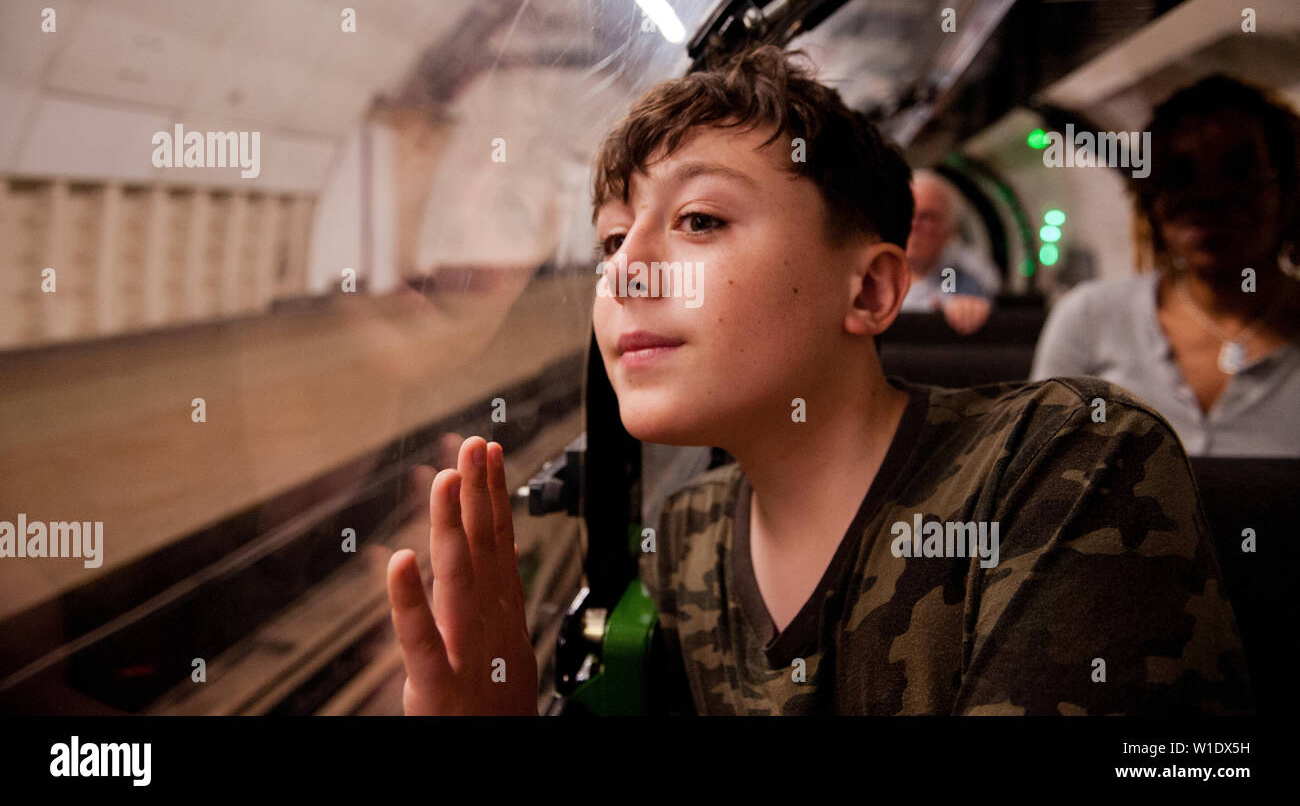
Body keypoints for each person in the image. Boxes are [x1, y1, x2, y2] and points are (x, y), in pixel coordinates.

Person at [386, 47, 1251, 715]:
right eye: (612, 240)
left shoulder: (1068, 467)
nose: (625, 274)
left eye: (699, 219)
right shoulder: (688, 536)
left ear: (870, 289)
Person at [1032, 75, 1300, 457]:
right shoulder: (1089, 317)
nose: (1208, 198)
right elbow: (1040, 472)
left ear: (1288, 192)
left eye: (1238, 174)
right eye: (1179, 176)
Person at [901, 169, 993, 334]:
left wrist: (968, 309)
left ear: (949, 230)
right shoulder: (867, 272)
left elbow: (974, 302)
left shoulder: (965, 274)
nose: (913, 224)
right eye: (906, 213)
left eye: (926, 217)